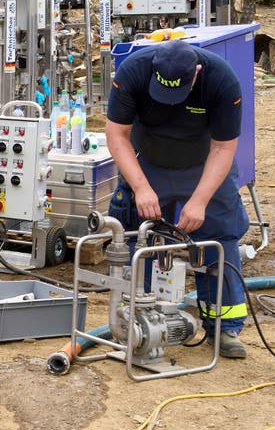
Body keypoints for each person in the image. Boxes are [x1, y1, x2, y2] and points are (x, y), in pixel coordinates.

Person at [104, 38, 250, 359]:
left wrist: (199, 200)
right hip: (148, 162)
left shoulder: (221, 80)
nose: (170, 102)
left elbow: (224, 147)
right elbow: (116, 134)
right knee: (134, 236)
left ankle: (223, 328)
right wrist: (141, 187)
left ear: (195, 73)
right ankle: (134, 322)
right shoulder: (133, 72)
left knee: (219, 237)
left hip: (203, 165)